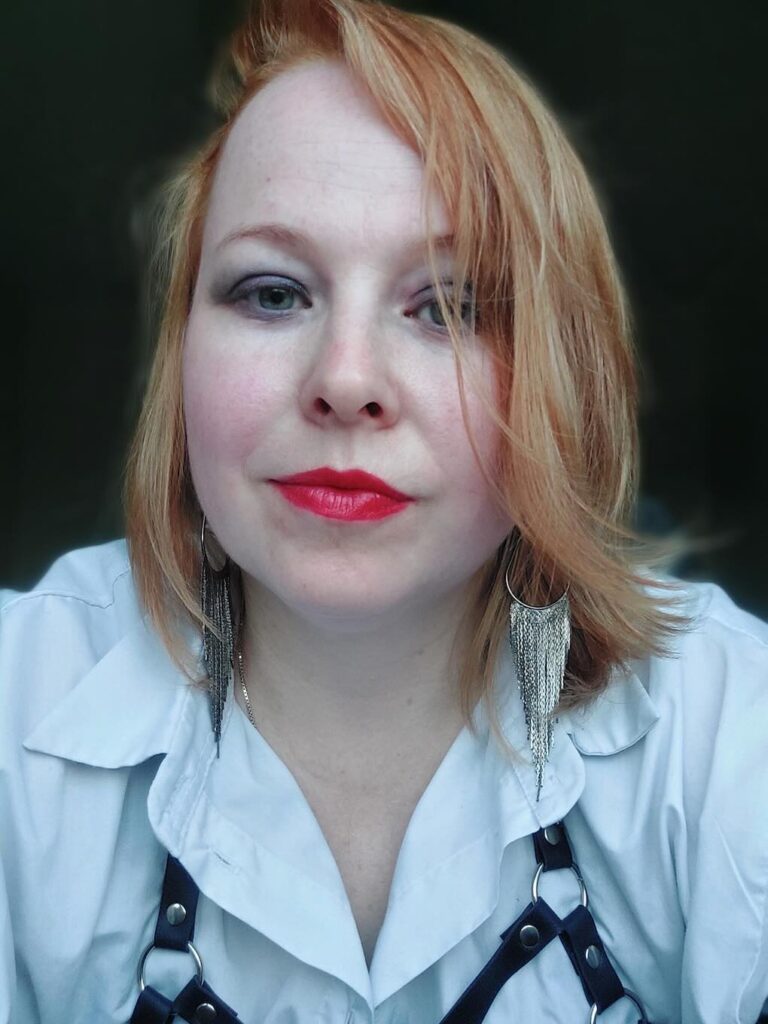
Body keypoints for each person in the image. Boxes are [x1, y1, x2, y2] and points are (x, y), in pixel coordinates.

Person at [1, 0, 766, 1021]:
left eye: (448, 306)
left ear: (564, 373)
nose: (346, 380)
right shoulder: (17, 712)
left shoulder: (727, 739)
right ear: (181, 354)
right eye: (273, 292)